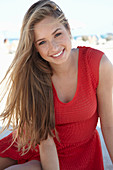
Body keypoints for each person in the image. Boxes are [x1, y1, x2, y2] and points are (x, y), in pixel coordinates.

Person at [0, 0, 113, 169]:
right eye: (42, 42)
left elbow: (109, 126)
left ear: (68, 29)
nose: (53, 47)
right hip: (35, 145)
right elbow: (46, 144)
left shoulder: (98, 64)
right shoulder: (35, 75)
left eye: (57, 34)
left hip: (80, 153)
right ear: (35, 48)